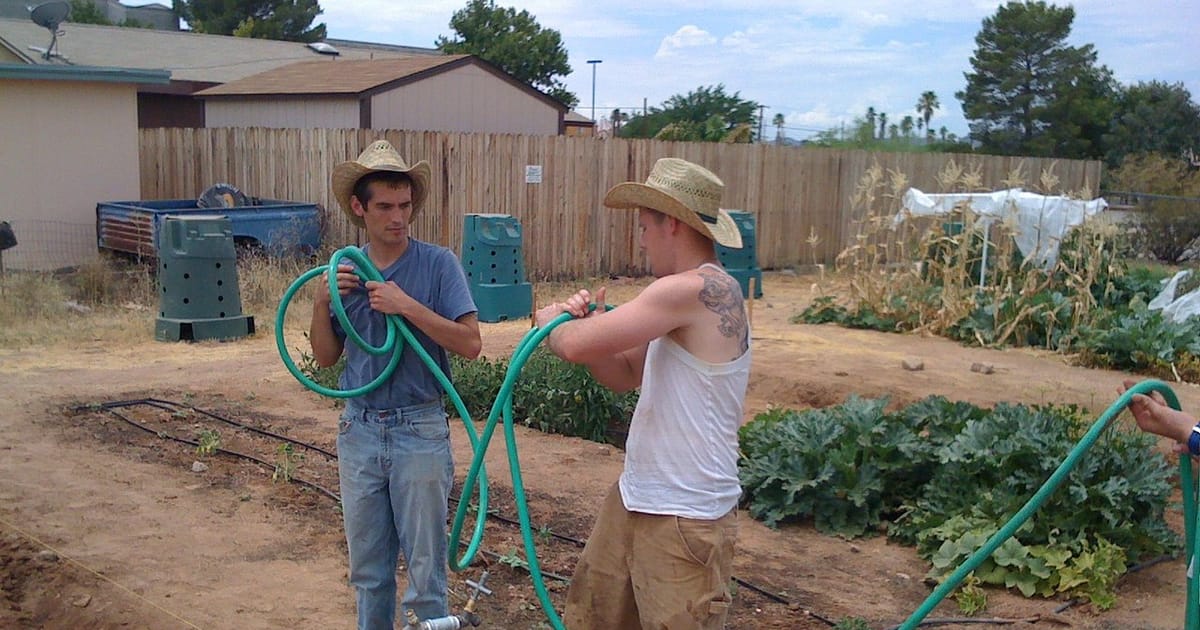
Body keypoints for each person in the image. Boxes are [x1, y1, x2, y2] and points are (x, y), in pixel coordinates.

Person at [534, 157, 751, 629]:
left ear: (670, 223)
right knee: (591, 617)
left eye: (644, 226)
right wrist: (589, 330)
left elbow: (570, 345)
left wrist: (553, 320)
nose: (641, 238)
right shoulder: (679, 294)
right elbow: (625, 372)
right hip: (638, 496)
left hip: (684, 515)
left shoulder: (697, 289)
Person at [309, 139, 482, 629]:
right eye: (384, 207)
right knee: (369, 572)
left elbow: (470, 343)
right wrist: (322, 302)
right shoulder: (343, 271)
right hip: (359, 429)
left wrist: (407, 306)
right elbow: (325, 359)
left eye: (405, 206)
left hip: (419, 426)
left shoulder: (437, 264)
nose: (398, 217)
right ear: (359, 208)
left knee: (427, 574)